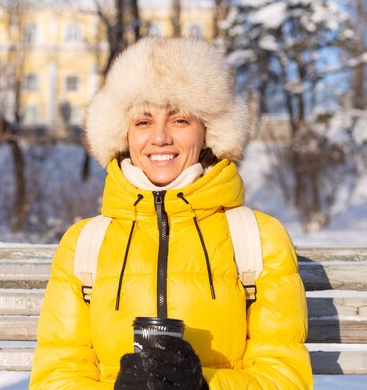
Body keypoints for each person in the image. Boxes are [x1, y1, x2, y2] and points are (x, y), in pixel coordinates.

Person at [29, 37, 312, 390]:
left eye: (179, 120)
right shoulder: (84, 244)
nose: (160, 137)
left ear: (207, 131)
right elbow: (56, 375)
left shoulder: (258, 238)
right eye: (143, 122)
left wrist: (202, 385)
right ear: (124, 134)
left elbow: (286, 377)